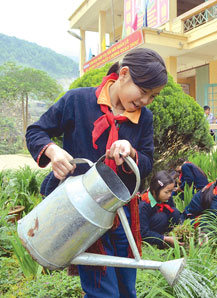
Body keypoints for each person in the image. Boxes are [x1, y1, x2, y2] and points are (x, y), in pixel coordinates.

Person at [26, 48, 167, 298]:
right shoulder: (77, 102)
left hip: (122, 213)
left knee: (127, 287)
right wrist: (52, 151)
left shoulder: (144, 119)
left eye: (153, 96)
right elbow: (36, 131)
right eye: (143, 92)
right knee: (102, 290)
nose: (145, 101)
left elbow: (146, 164)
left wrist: (132, 153)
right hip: (82, 212)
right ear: (123, 74)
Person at [139, 171, 182, 248]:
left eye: (171, 191)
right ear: (154, 192)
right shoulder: (144, 205)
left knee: (175, 212)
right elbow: (143, 233)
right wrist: (163, 239)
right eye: (166, 192)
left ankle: (171, 236)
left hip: (163, 230)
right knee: (161, 217)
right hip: (149, 234)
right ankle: (158, 244)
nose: (169, 195)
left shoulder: (167, 198)